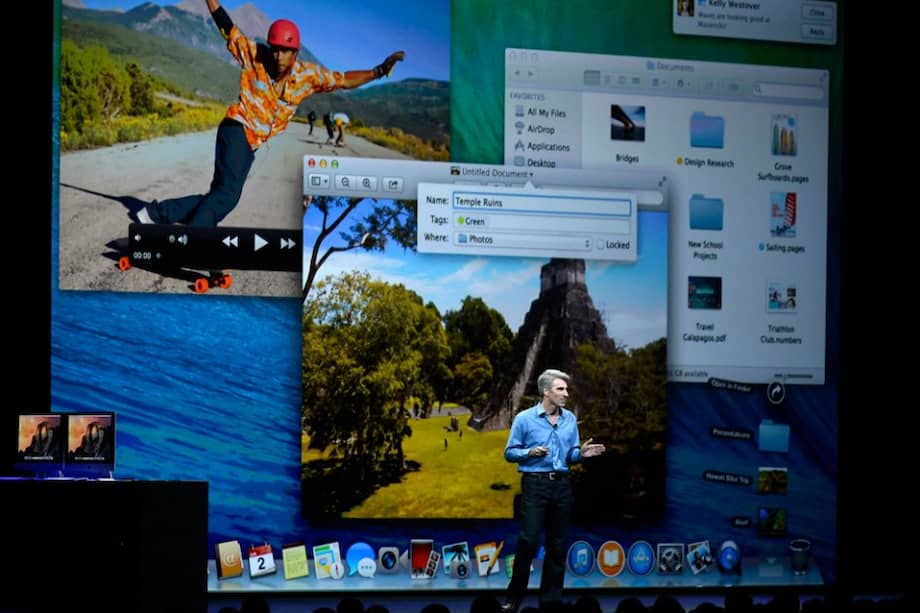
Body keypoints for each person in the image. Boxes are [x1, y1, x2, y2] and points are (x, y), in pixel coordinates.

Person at [136, 0, 404, 227]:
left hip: (250, 143)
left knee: (219, 195)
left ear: (295, 53)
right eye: (275, 48)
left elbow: (344, 79)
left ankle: (153, 214)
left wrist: (378, 71)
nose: (278, 56)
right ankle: (193, 242)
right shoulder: (255, 55)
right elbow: (227, 28)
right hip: (237, 128)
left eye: (285, 51)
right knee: (227, 196)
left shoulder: (308, 75)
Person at [501, 369, 605, 612]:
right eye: (561, 389)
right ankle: (514, 598)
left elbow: (570, 455)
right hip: (535, 485)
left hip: (562, 486)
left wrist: (582, 455)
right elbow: (509, 452)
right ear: (546, 392)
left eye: (567, 389)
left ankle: (550, 602)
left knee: (557, 546)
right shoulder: (524, 419)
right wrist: (530, 452)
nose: (566, 394)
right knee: (529, 540)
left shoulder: (569, 419)